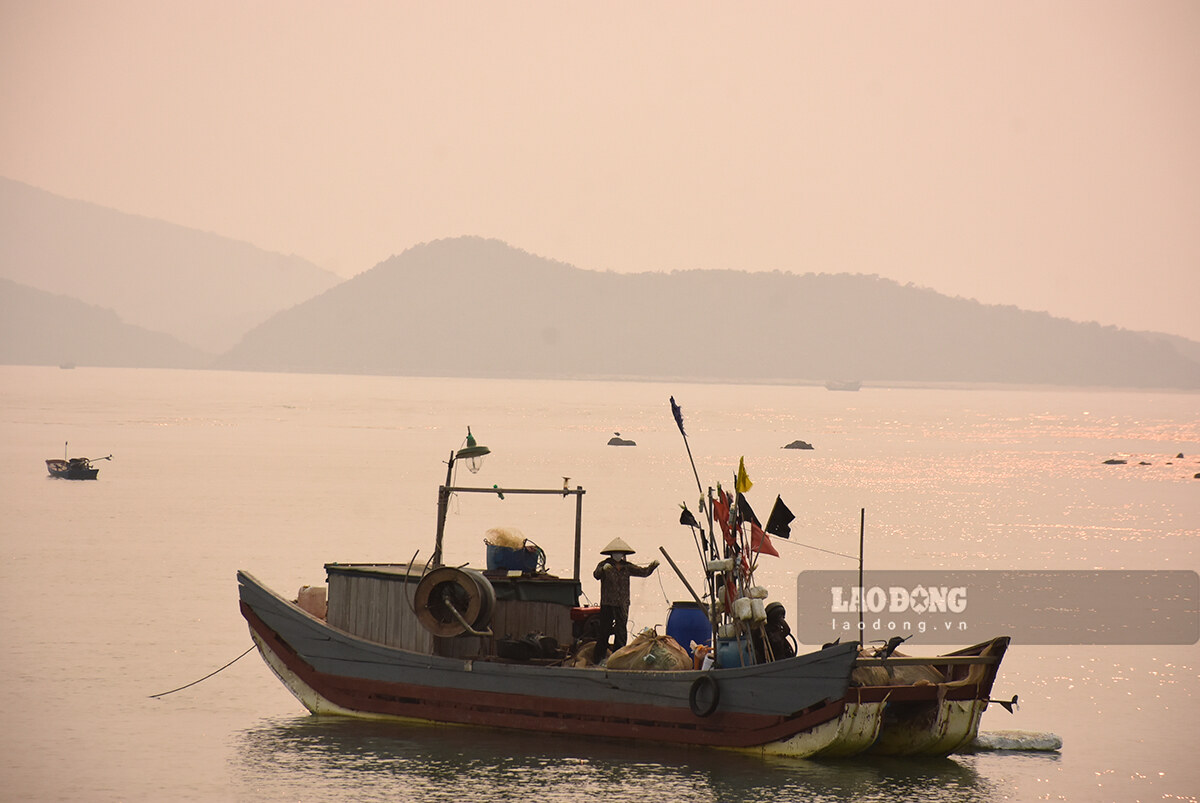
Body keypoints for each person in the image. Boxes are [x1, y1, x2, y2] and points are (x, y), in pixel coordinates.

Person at [591, 537, 659, 663]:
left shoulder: (627, 567)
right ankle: (598, 659)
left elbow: (643, 572)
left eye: (620, 553)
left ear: (623, 554)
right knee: (604, 631)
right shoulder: (604, 564)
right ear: (611, 554)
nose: (618, 555)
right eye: (616, 553)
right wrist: (603, 569)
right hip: (607, 602)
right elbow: (596, 575)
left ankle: (618, 658)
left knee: (621, 631)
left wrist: (652, 566)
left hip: (622, 603)